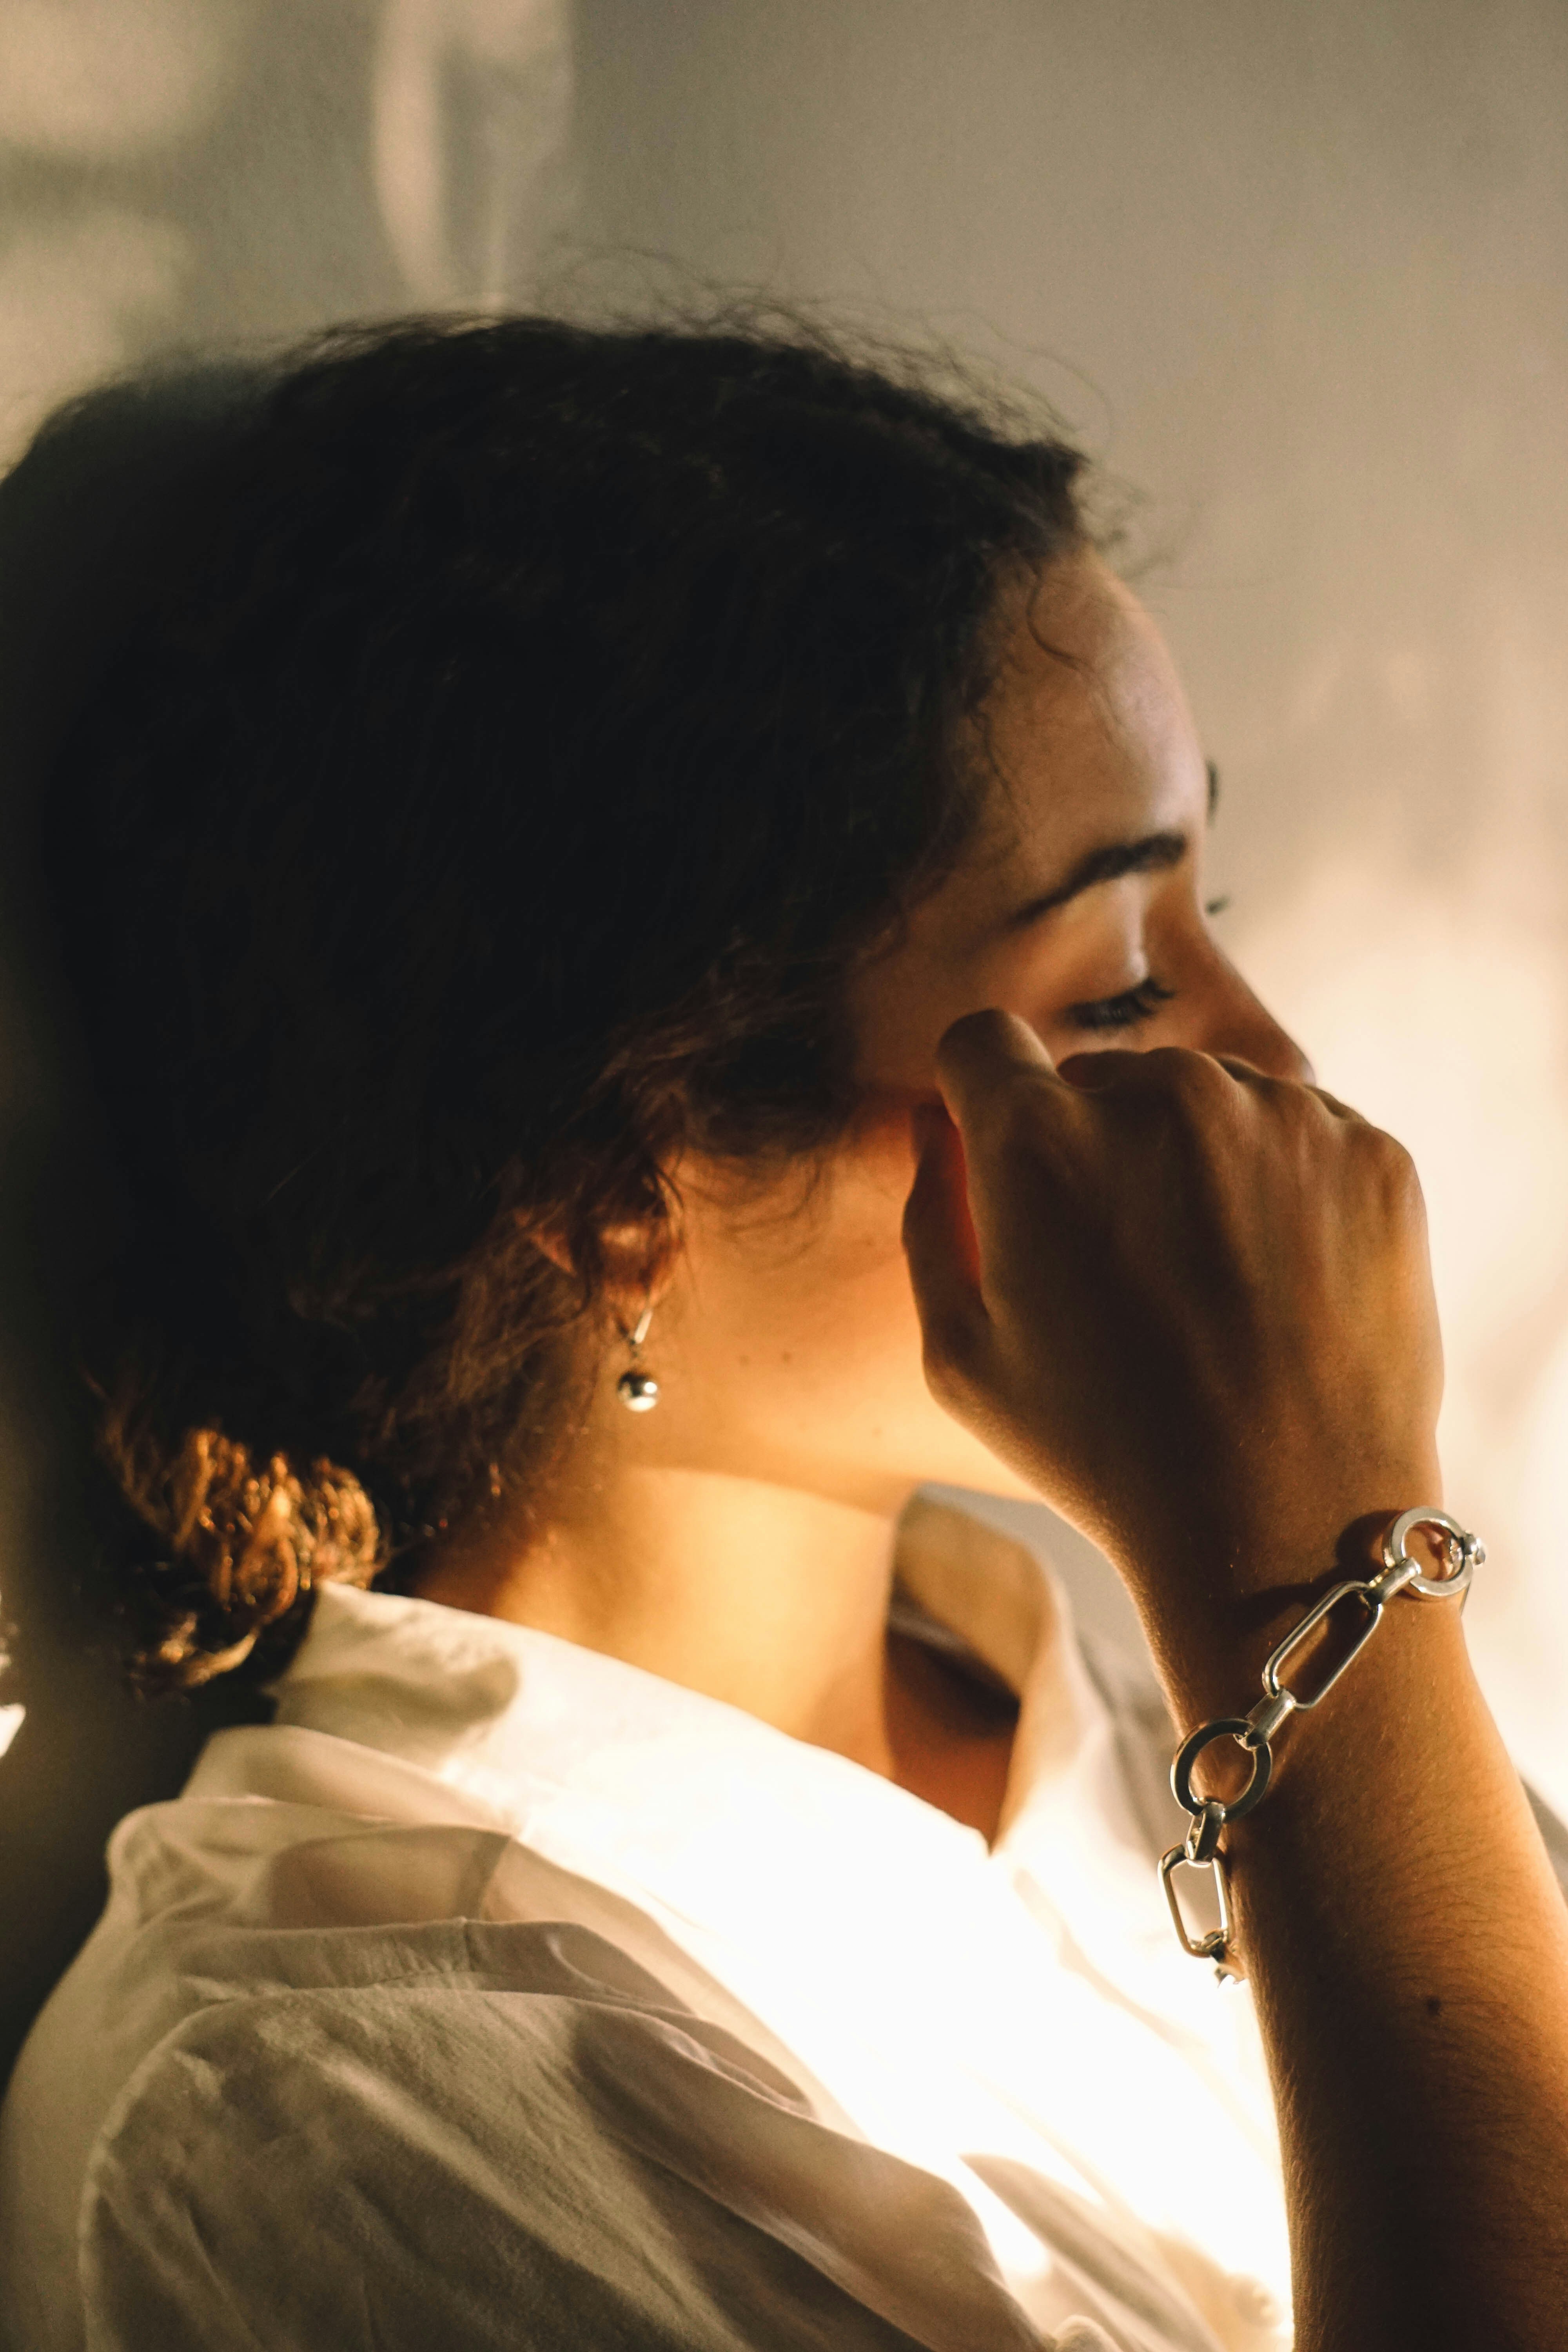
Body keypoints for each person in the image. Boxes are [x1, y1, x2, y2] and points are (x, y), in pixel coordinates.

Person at [0, 313, 1564, 2352]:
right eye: (1112, 986)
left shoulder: (1109, 1707)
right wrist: (1321, 1554)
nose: (1271, 1069)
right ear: (614, 1185)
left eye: (1213, 922)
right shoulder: (329, 2107)